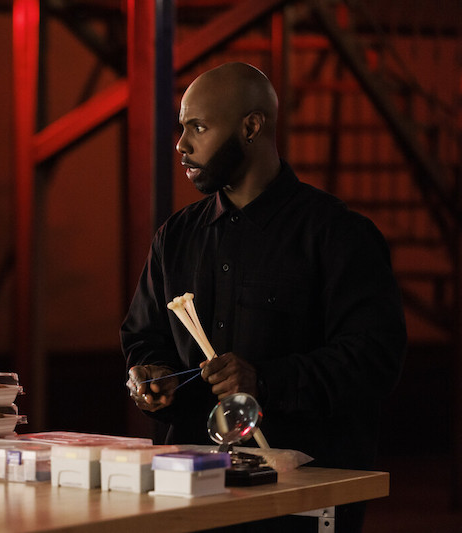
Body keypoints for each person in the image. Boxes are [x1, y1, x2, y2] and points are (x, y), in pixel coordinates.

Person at [121, 62, 406, 532]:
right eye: (182, 128)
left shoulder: (338, 235)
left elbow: (374, 359)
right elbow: (144, 337)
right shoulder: (176, 237)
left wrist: (265, 381)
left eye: (198, 127)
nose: (181, 144)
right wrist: (152, 377)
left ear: (251, 127)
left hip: (302, 496)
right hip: (193, 489)